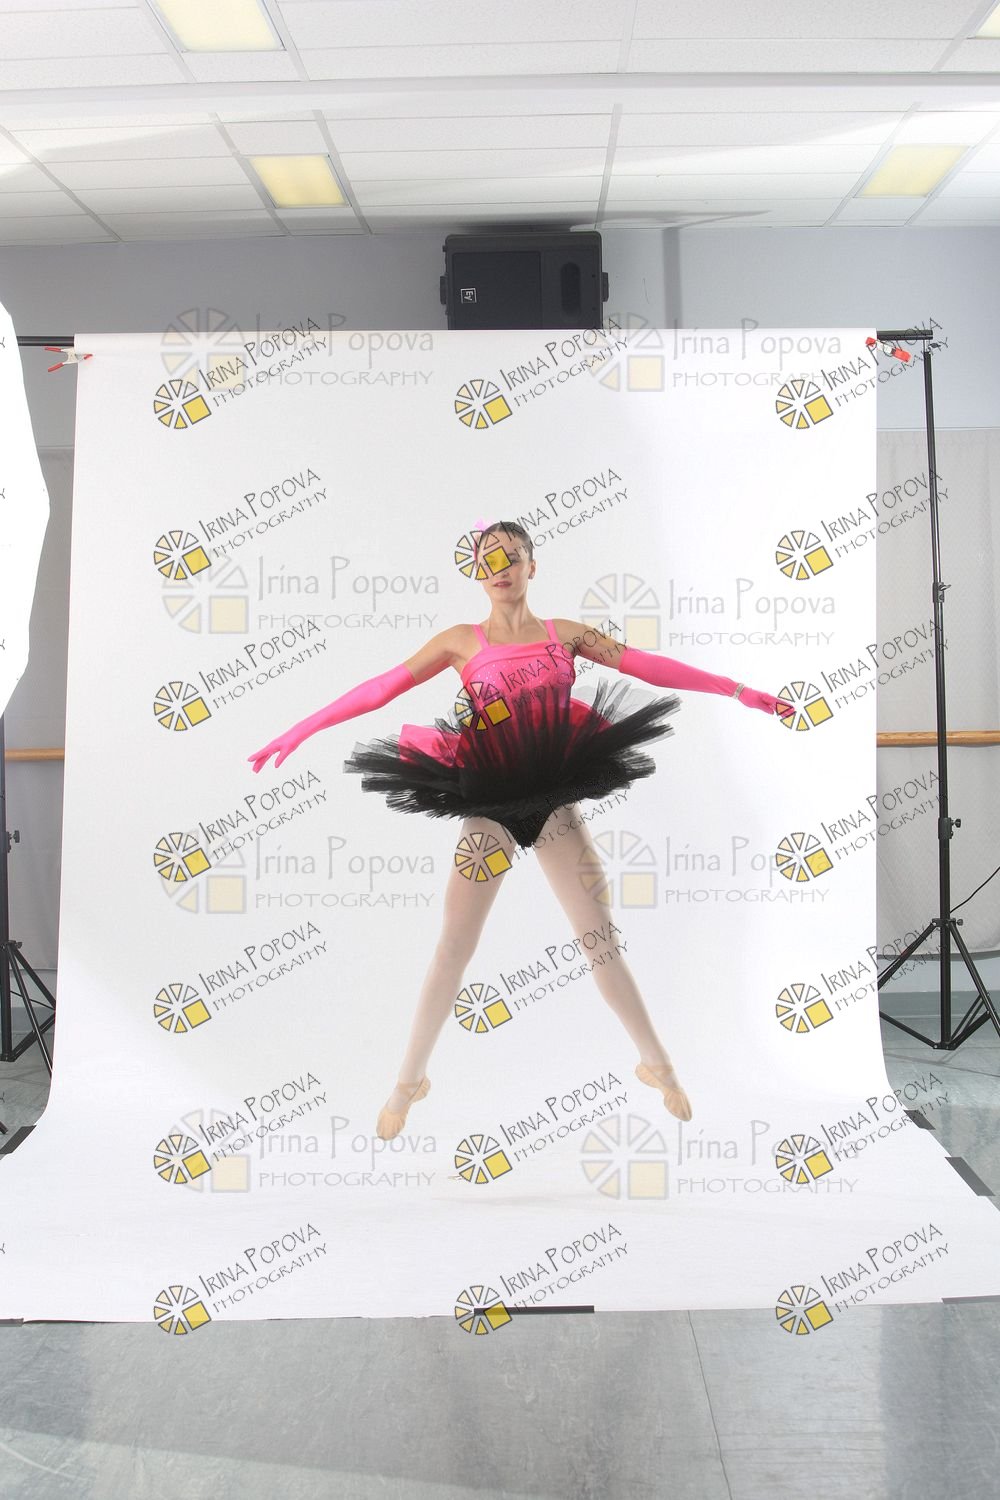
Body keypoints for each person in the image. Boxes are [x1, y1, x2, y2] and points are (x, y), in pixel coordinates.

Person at [249, 521, 793, 1141]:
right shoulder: (461, 641)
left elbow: (646, 665)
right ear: (475, 573)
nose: (499, 569)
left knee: (600, 939)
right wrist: (300, 729)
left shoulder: (566, 634)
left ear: (532, 565)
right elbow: (380, 688)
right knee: (454, 947)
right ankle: (408, 1082)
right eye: (486, 561)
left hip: (554, 800)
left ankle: (657, 1063)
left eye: (510, 558)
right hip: (490, 804)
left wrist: (736, 689)